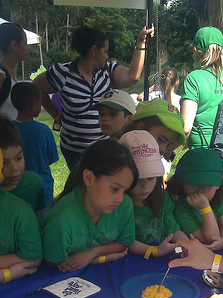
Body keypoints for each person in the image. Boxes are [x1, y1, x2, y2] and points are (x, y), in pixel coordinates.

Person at [34, 24, 154, 170]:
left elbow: (133, 76)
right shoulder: (63, 73)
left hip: (102, 148)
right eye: (105, 51)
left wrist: (140, 43)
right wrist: (56, 116)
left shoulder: (108, 72)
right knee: (80, 186)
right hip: (73, 150)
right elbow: (37, 87)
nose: (107, 56)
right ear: (94, 51)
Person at [41, 139, 138, 272]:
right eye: (115, 189)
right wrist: (104, 257)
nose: (120, 199)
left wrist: (92, 253)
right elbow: (55, 262)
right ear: (89, 178)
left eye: (125, 190)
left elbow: (124, 243)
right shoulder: (62, 220)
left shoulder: (125, 205)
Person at [180, 26, 223, 178]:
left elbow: (185, 127)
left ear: (196, 50)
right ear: (222, 50)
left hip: (202, 156)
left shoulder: (194, 78)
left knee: (197, 199)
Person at [119, 130, 188, 257]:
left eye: (151, 178)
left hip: (159, 255)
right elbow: (124, 240)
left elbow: (172, 229)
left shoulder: (161, 197)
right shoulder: (119, 202)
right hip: (129, 259)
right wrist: (154, 251)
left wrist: (187, 244)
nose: (145, 186)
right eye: (138, 179)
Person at [167, 148, 223, 250]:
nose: (200, 189)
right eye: (194, 183)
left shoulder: (218, 198)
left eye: (208, 185)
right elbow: (210, 239)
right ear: (181, 182)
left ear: (218, 184)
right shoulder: (181, 209)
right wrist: (205, 208)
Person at [11, 82, 59, 208]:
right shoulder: (43, 131)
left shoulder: (8, 130)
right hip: (43, 191)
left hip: (15, 191)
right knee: (43, 223)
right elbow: (51, 158)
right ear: (34, 105)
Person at [0, 147, 43, 284]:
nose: (14, 168)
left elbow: (33, 258)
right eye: (6, 162)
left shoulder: (21, 212)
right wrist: (6, 274)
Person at [0, 114, 45, 215]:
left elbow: (36, 215)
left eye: (18, 158)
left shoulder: (34, 184)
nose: (14, 168)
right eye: (4, 163)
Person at [0, 22, 29, 120]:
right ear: (14, 45)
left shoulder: (10, 73)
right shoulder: (1, 75)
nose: (28, 47)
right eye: (25, 43)